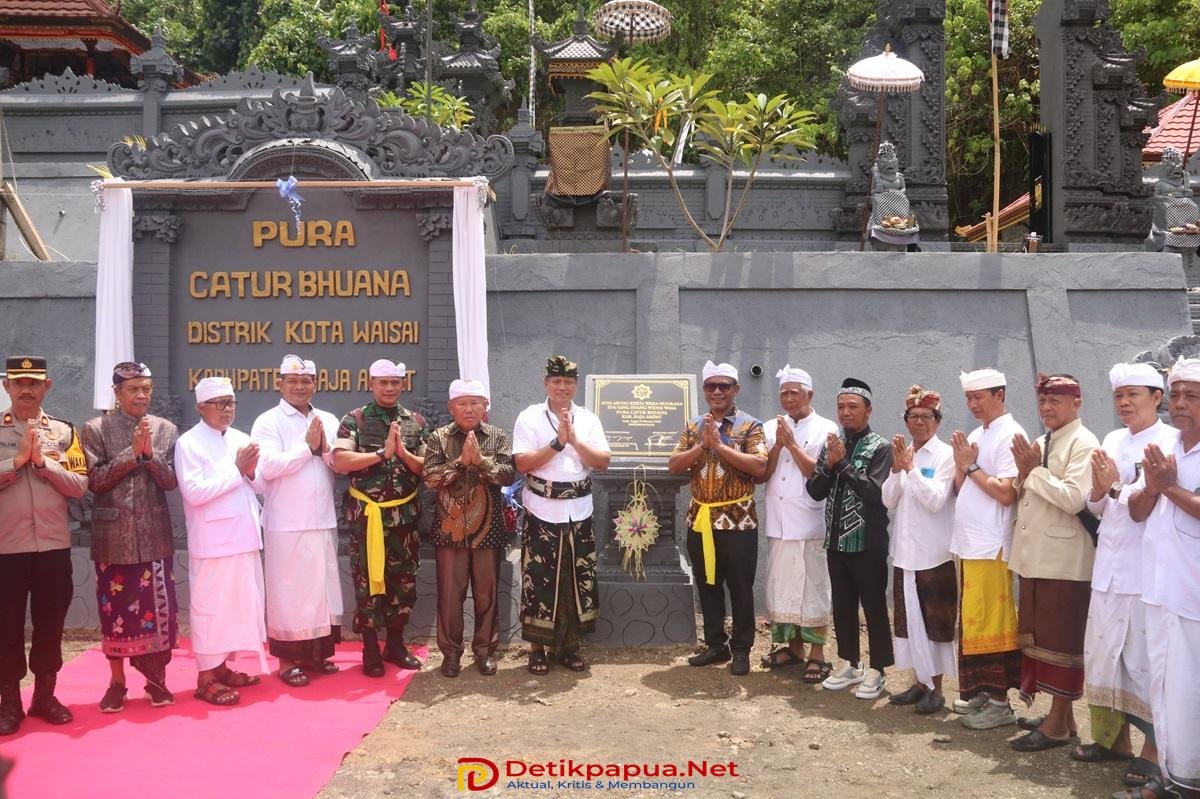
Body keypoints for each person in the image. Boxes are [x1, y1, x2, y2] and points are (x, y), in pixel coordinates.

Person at [1076, 363, 1172, 793]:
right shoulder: (1113, 439)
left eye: (1134, 394)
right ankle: (1115, 741)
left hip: (1145, 573)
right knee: (1105, 655)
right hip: (1109, 568)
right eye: (1119, 396)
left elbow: (1140, 508)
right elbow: (1095, 505)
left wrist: (1113, 488)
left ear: (1157, 398)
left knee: (1142, 662)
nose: (1124, 403)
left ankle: (1153, 755)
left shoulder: (1168, 443)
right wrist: (1099, 490)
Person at [1006, 373, 1099, 750]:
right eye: (1044, 401)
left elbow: (1074, 499)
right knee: (1040, 639)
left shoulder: (1084, 443)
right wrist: (1023, 476)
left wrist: (1034, 472)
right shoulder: (1042, 440)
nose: (1047, 408)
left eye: (1056, 401)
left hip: (1065, 561)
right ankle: (1065, 719)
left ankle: (1058, 724)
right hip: (1034, 557)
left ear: (1076, 403)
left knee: (1062, 643)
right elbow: (1024, 488)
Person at [81, 361, 178, 713]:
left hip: (154, 535)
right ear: (117, 393)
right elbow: (96, 481)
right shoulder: (95, 429)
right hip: (114, 536)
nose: (141, 395)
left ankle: (156, 682)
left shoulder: (166, 429)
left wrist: (150, 455)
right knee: (115, 611)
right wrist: (130, 453)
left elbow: (170, 482)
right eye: (133, 389)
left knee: (159, 612)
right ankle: (117, 682)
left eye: (146, 389)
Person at [0, 356, 88, 734]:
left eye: (33, 383)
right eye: (18, 382)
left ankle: (45, 696)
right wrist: (16, 463)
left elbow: (80, 484)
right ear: (6, 386)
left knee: (51, 623)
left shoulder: (66, 432)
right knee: (5, 627)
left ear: (47, 387)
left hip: (53, 546)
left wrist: (43, 466)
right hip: (6, 549)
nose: (25, 389)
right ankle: (9, 703)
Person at [1128, 357, 1200, 799]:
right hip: (1160, 591)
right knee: (1166, 690)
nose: (1180, 404)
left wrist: (1170, 486)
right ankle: (1174, 776)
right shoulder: (1164, 446)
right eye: (1175, 395)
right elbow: (1137, 512)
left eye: (1191, 396)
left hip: (1194, 596)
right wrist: (1155, 486)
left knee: (1192, 692)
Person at [513, 356, 610, 676]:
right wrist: (557, 443)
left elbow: (602, 462)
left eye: (568, 382)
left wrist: (574, 439)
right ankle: (537, 649)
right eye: (556, 381)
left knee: (574, 580)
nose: (562, 387)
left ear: (575, 386)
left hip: (579, 511)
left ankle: (568, 647)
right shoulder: (530, 417)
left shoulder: (588, 418)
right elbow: (523, 464)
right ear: (546, 384)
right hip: (541, 509)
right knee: (539, 581)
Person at [669, 361, 767, 677]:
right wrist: (702, 445)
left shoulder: (751, 426)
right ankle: (715, 645)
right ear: (704, 391)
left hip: (738, 522)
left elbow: (758, 467)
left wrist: (719, 446)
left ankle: (741, 650)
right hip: (701, 520)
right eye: (711, 386)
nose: (717, 392)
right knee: (707, 584)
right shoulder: (693, 425)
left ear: (735, 390)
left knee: (739, 587)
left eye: (724, 386)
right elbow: (674, 464)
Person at [251, 354, 343, 688]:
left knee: (321, 591)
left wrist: (327, 451)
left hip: (322, 519)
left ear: (316, 384)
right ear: (280, 384)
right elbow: (268, 467)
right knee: (289, 595)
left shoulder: (328, 418)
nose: (300, 387)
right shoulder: (268, 421)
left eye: (306, 381)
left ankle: (316, 654)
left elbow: (338, 461)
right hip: (286, 522)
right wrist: (307, 449)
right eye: (293, 381)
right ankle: (288, 660)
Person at [332, 359, 429, 677]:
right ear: (370, 383)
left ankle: (396, 645)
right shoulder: (355, 419)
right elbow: (341, 460)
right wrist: (381, 454)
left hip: (404, 519)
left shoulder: (415, 421)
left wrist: (402, 453)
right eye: (383, 382)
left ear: (403, 385)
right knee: (366, 582)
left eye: (395, 383)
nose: (389, 388)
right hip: (367, 518)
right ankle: (370, 648)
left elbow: (427, 468)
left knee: (403, 581)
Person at [174, 376, 267, 707]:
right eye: (220, 403)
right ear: (201, 407)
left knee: (237, 608)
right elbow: (195, 492)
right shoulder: (189, 443)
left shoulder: (242, 438)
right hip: (213, 541)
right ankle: (205, 677)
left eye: (231, 403)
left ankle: (223, 667)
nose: (228, 409)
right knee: (211, 608)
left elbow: (261, 486)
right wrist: (238, 469)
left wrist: (253, 473)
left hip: (244, 537)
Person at [806, 377, 893, 700]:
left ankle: (879, 669)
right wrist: (830, 466)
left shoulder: (881, 447)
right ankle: (852, 663)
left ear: (868, 411)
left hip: (868, 543)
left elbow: (874, 492)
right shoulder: (833, 443)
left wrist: (840, 463)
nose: (845, 413)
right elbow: (814, 491)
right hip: (836, 542)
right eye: (841, 407)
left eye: (852, 407)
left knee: (873, 607)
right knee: (842, 607)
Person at [422, 379, 516, 677]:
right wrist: (460, 464)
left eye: (476, 402)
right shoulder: (438, 438)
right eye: (462, 403)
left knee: (487, 596)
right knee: (450, 597)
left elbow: (507, 475)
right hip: (450, 532)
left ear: (485, 406)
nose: (469, 409)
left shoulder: (498, 437)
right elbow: (430, 479)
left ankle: (485, 651)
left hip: (488, 531)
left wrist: (482, 462)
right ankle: (450, 654)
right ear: (451, 407)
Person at [950, 368, 1026, 729]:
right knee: (973, 622)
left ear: (1000, 395)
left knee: (993, 621)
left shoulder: (1012, 433)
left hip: (992, 544)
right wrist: (961, 464)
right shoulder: (981, 433)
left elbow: (1007, 492)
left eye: (979, 397)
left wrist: (972, 465)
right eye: (968, 398)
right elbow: (960, 483)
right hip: (970, 543)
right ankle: (980, 690)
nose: (973, 404)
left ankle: (1000, 702)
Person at [759, 365, 839, 684]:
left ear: (810, 394)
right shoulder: (769, 427)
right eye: (784, 393)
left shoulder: (826, 429)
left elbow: (817, 474)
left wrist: (792, 444)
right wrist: (778, 445)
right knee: (785, 589)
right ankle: (793, 649)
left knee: (812, 590)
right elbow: (762, 473)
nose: (789, 398)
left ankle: (817, 655)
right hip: (779, 523)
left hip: (810, 523)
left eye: (795, 392)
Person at [882, 385, 957, 714]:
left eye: (926, 417)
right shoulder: (904, 453)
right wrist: (898, 470)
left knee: (934, 622)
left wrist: (911, 469)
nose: (919, 423)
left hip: (934, 554)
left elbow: (936, 500)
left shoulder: (946, 456)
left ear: (937, 420)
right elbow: (888, 499)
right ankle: (919, 682)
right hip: (905, 552)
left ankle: (937, 689)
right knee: (909, 621)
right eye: (913, 417)